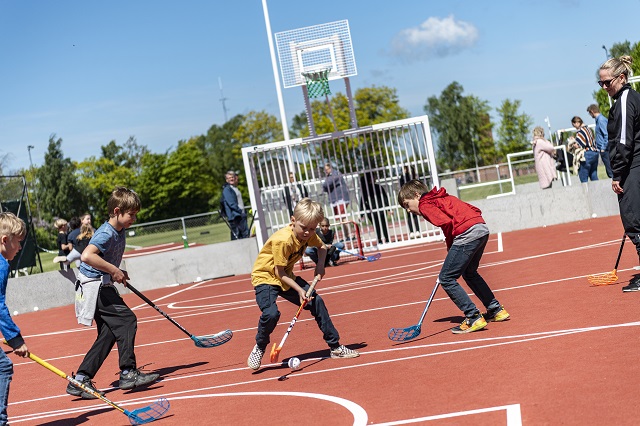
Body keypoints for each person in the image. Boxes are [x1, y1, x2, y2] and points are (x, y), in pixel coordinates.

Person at [66, 187, 159, 400]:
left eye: (136, 214)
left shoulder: (120, 230)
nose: (133, 218)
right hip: (94, 287)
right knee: (127, 321)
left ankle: (80, 379)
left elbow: (105, 260)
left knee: (109, 333)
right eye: (131, 215)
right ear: (117, 211)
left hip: (102, 284)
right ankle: (128, 373)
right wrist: (114, 270)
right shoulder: (106, 232)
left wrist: (117, 270)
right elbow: (88, 256)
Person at [247, 198, 359, 370]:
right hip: (266, 277)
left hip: (286, 275)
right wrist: (300, 290)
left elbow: (322, 248)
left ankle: (335, 347)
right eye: (304, 228)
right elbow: (279, 273)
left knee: (317, 302)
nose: (308, 233)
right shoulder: (283, 241)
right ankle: (260, 346)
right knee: (271, 314)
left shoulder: (310, 235)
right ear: (293, 221)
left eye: (312, 229)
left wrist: (320, 266)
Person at [397, 180, 510, 334]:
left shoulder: (425, 204)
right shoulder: (440, 197)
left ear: (416, 195)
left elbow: (446, 223)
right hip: (480, 228)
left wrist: (452, 248)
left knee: (446, 278)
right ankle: (495, 309)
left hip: (467, 233)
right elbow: (469, 210)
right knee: (469, 273)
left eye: (407, 205)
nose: (408, 210)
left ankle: (473, 317)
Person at [598, 55, 640, 292]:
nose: (604, 87)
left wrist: (617, 174)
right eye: (600, 83)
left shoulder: (624, 100)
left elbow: (623, 141)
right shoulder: (628, 98)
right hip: (634, 166)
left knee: (634, 220)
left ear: (621, 78)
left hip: (632, 168)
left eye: (607, 82)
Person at [0, 212, 30, 424]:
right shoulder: (1, 265)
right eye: (18, 242)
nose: (20, 248)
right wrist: (15, 339)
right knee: (3, 366)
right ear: (4, 240)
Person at [359, 172, 390, 244]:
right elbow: (363, 201)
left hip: (376, 210)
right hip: (376, 210)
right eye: (374, 176)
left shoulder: (375, 187)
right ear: (370, 178)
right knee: (382, 224)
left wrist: (361, 213)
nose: (375, 178)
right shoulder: (370, 188)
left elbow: (362, 202)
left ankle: (381, 239)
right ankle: (385, 239)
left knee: (378, 225)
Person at [322, 163, 350, 239]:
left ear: (330, 168)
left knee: (342, 216)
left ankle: (349, 234)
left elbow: (327, 184)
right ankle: (347, 235)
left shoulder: (335, 173)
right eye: (325, 170)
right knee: (340, 217)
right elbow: (324, 186)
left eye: (327, 169)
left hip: (341, 198)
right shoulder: (329, 176)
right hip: (335, 199)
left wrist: (326, 185)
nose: (326, 171)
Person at [222, 170, 249, 240]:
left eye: (232, 177)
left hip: (241, 215)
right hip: (236, 216)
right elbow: (231, 203)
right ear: (226, 180)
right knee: (238, 236)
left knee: (244, 235)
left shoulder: (235, 188)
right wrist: (240, 211)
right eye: (229, 178)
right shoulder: (227, 190)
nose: (231, 179)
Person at [571, 116, 599, 182]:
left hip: (587, 154)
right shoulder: (588, 129)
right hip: (594, 152)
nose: (574, 127)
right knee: (594, 175)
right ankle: (598, 191)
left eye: (574, 125)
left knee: (583, 177)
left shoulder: (580, 131)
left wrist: (573, 142)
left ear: (577, 123)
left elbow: (579, 145)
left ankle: (586, 192)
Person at [587, 104, 613, 178]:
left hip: (605, 149)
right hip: (604, 149)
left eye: (590, 113)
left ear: (592, 111)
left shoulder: (601, 120)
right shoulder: (599, 120)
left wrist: (603, 148)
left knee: (610, 171)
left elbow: (606, 134)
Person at [399, 166, 421, 238]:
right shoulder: (402, 177)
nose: (405, 170)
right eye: (404, 169)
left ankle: (417, 231)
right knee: (409, 215)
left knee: (415, 214)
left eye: (406, 169)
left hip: (412, 197)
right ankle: (411, 231)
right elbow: (401, 186)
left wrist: (413, 169)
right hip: (406, 198)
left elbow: (414, 181)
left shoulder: (410, 176)